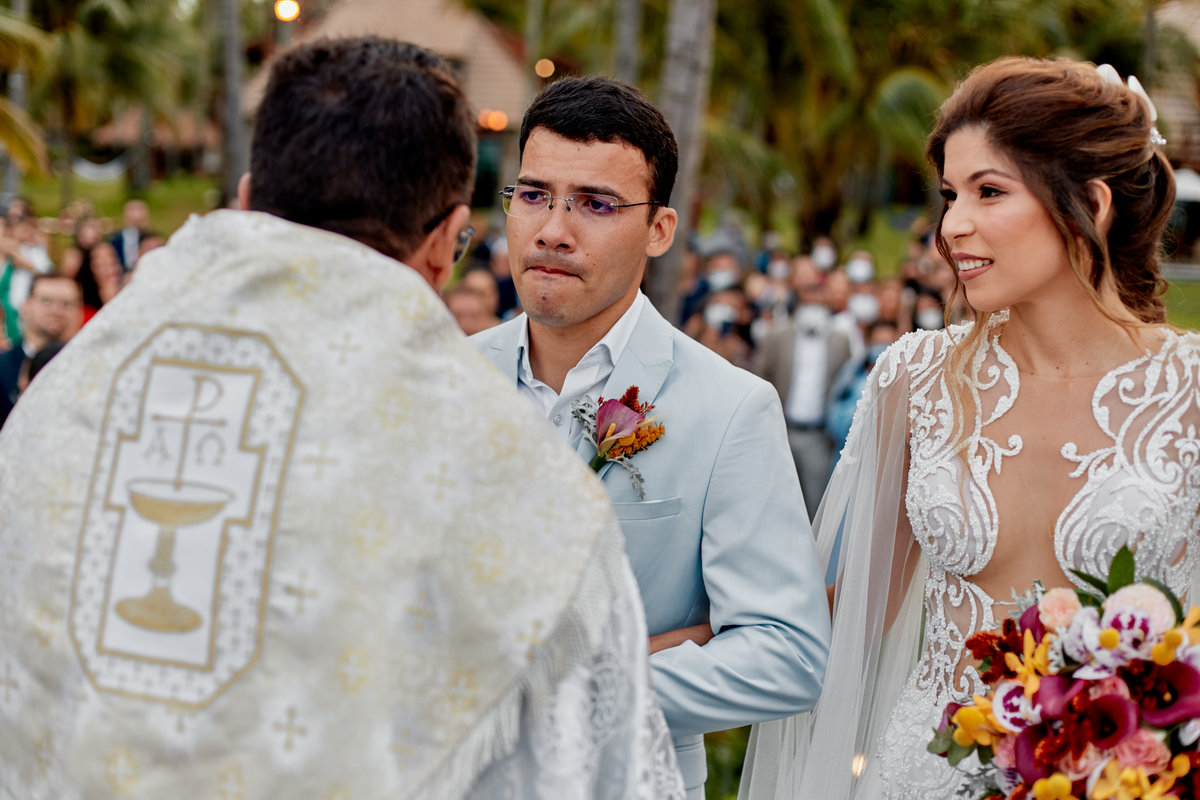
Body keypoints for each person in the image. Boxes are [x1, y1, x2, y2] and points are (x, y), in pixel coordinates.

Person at [0, 37, 683, 800]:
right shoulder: (516, 486)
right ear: (444, 239)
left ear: (252, 194)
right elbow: (589, 766)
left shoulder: (65, 399)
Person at [740, 56, 1200, 800]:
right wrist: (688, 632)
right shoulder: (914, 380)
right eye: (950, 195)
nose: (952, 227)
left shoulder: (1190, 390)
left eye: (989, 191)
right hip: (924, 775)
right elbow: (849, 612)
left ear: (1091, 202)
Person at [471, 75, 831, 799]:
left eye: (596, 204)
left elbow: (787, 652)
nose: (552, 230)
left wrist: (581, 690)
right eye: (535, 195)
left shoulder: (730, 408)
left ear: (660, 230)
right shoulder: (446, 382)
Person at [0, 272, 80, 427]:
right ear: (26, 307)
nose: (57, 310)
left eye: (66, 304)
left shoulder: (91, 369)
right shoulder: (1, 367)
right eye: (46, 301)